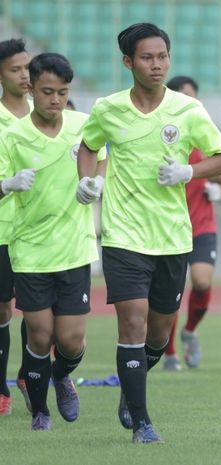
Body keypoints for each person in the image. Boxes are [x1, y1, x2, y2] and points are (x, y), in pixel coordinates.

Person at [76, 22, 221, 444]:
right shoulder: (108, 109)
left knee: (159, 335)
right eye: (147, 57)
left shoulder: (188, 110)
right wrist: (86, 181)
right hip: (124, 236)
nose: (157, 64)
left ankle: (133, 385)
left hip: (173, 237)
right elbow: (89, 146)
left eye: (162, 56)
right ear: (128, 62)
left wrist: (189, 170)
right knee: (133, 324)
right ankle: (142, 421)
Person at [0, 52, 105, 430]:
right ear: (31, 88)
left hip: (75, 247)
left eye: (62, 92)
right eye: (47, 92)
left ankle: (62, 375)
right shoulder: (12, 135)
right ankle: (41, 411)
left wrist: (96, 182)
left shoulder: (82, 125)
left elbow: (102, 158)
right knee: (40, 336)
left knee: (72, 341)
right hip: (30, 251)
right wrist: (8, 185)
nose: (55, 100)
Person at [161, 75, 221, 371]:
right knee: (170, 291)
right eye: (182, 96)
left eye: (192, 95)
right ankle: (171, 353)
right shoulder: (164, 135)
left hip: (201, 225)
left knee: (201, 281)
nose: (189, 101)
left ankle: (190, 330)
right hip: (168, 225)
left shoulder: (204, 134)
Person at [0, 37, 32, 416]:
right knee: (4, 311)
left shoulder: (50, 108)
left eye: (27, 67)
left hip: (45, 232)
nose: (25, 75)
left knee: (43, 311)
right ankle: (3, 387)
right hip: (5, 230)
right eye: (15, 69)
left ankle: (29, 372)